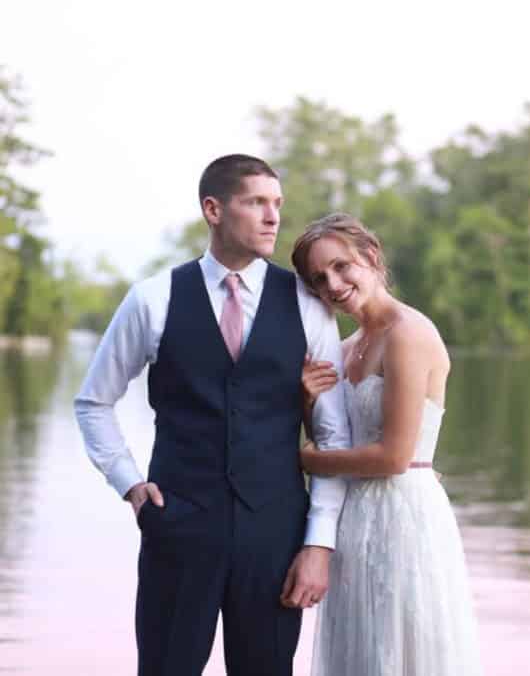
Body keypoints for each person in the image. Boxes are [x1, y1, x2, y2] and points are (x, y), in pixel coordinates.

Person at [74, 154, 351, 676]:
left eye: (277, 204)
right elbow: (93, 402)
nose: (273, 217)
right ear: (214, 209)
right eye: (256, 203)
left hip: (275, 534)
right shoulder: (152, 299)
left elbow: (334, 436)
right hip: (178, 525)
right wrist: (130, 484)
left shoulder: (309, 304)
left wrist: (319, 543)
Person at [291, 212, 483, 676]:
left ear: (371, 257)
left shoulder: (408, 333)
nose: (332, 285)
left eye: (342, 266)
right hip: (355, 520)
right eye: (319, 279)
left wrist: (299, 461)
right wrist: (304, 401)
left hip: (405, 518)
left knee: (402, 652)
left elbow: (395, 457)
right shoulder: (343, 348)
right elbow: (333, 441)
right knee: (360, 652)